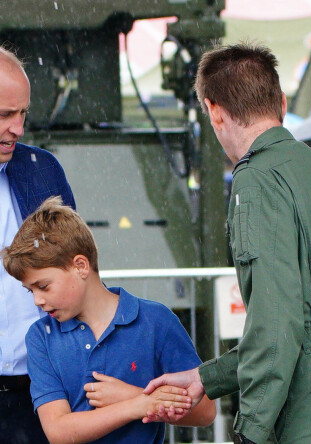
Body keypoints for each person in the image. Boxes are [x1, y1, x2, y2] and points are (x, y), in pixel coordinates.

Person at [144, 44, 311, 444]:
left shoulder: (257, 180)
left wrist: (250, 427)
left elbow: (278, 321)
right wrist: (205, 377)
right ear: (281, 103)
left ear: (215, 111)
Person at [1, 196, 215, 444]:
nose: (37, 300)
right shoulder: (40, 337)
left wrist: (131, 395)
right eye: (31, 291)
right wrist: (138, 404)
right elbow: (58, 431)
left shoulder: (157, 322)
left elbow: (206, 412)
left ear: (81, 266)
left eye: (43, 286)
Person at [0, 47, 76, 444]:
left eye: (22, 113)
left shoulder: (42, 170)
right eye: (3, 115)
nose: (17, 128)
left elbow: (80, 271)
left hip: (41, 394)